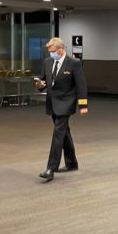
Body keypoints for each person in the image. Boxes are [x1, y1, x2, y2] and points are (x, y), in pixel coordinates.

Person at [35, 37, 88, 181]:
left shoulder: (74, 63)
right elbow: (44, 81)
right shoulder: (47, 62)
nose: (50, 54)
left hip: (66, 103)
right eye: (49, 51)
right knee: (64, 132)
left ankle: (50, 168)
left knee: (58, 133)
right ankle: (71, 163)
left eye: (52, 51)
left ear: (61, 49)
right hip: (52, 102)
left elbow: (81, 85)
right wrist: (40, 85)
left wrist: (83, 105)